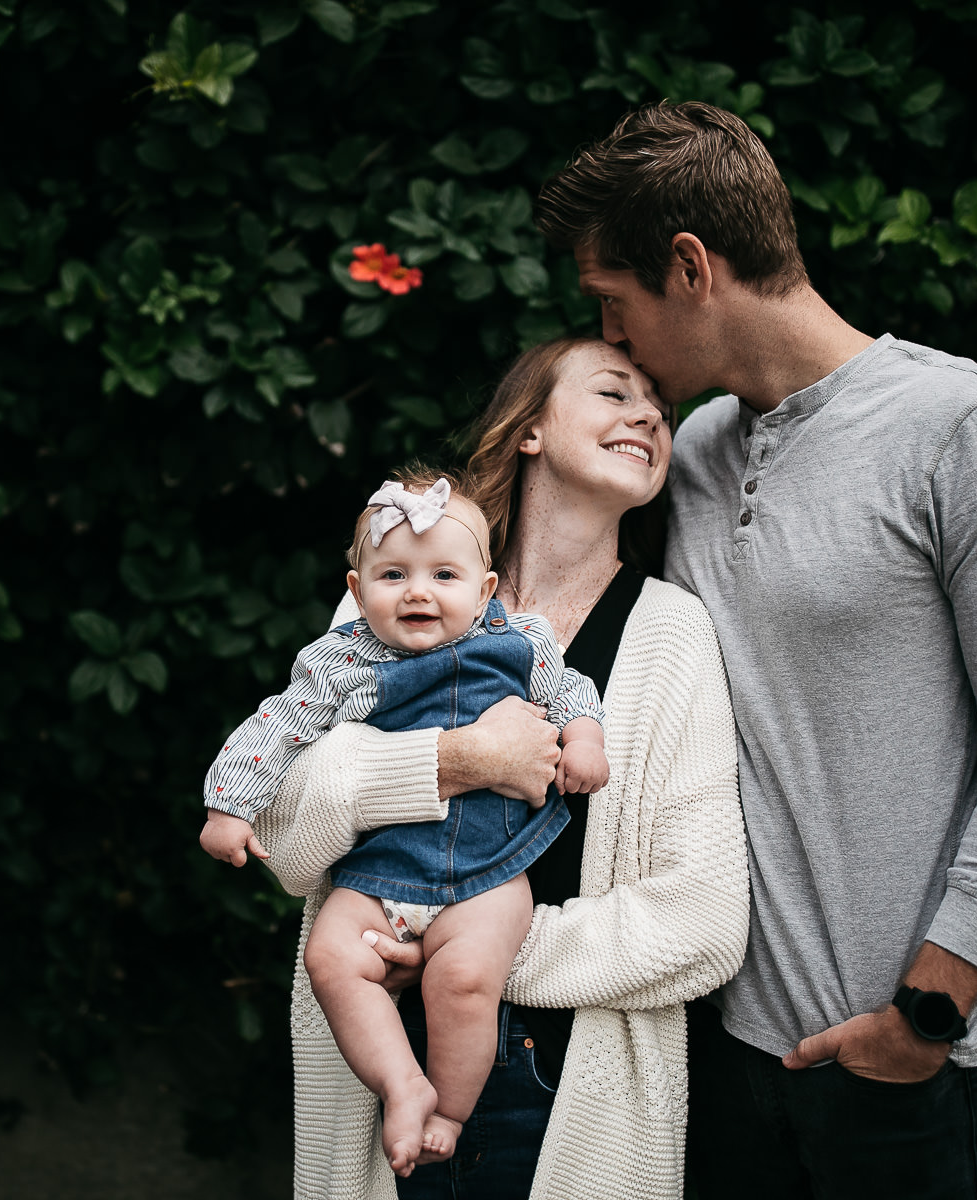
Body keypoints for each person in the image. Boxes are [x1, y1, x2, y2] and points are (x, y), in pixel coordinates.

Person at [533, 100, 977, 1199]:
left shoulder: (970, 432)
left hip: (910, 1071)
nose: (610, 338)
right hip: (728, 1063)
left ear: (690, 267)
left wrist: (927, 1016)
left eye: (612, 302)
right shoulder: (689, 451)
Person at [250, 337, 750, 1199]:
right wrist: (454, 761)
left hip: (563, 1094)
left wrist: (464, 957)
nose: (648, 417)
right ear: (529, 430)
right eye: (613, 393)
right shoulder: (398, 592)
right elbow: (288, 840)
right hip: (376, 1071)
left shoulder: (672, 634)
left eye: (659, 410)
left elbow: (705, 922)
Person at [199, 475, 609, 1175]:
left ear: (484, 591)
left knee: (465, 979)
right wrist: (227, 806)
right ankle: (402, 1084)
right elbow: (276, 727)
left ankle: (448, 1107)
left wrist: (584, 737)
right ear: (358, 591)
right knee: (331, 957)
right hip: (384, 868)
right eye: (395, 575)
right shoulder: (342, 659)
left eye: (443, 575)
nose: (419, 592)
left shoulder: (519, 638)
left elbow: (568, 688)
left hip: (493, 866)